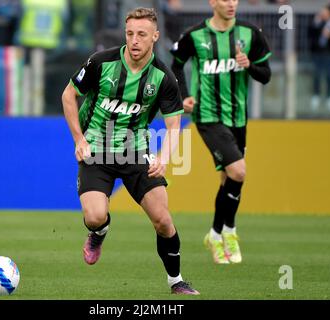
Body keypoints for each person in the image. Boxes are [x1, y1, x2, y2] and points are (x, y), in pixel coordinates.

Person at [61, 7, 199, 295]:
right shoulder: (102, 62)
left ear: (155, 37)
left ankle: (176, 281)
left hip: (135, 153)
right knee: (96, 215)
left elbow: (174, 125)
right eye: (130, 34)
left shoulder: (163, 78)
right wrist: (78, 139)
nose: (134, 40)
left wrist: (163, 158)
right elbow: (68, 95)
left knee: (163, 220)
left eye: (142, 35)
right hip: (96, 152)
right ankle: (98, 233)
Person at [170, 0, 271, 264]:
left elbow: (265, 75)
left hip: (238, 118)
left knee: (229, 180)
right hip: (207, 116)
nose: (231, 3)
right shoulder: (194, 35)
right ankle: (230, 232)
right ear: (213, 2)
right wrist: (184, 96)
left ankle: (215, 235)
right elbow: (176, 64)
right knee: (239, 171)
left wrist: (249, 65)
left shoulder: (251, 34)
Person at [308, 4, 330, 112]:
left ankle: (329, 97)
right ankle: (316, 95)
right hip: (318, 53)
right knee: (317, 75)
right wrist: (315, 23)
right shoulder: (318, 23)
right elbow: (310, 35)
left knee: (329, 76)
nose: (323, 14)